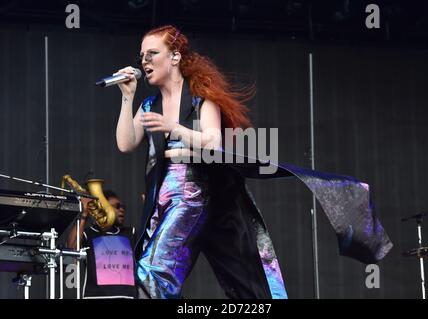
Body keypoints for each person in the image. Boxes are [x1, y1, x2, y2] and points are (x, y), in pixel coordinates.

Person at [115, 25, 287, 299]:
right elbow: (125, 143)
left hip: (192, 196)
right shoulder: (149, 104)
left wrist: (176, 128)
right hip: (161, 202)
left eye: (152, 54)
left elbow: (212, 142)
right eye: (142, 56)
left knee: (153, 272)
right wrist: (127, 97)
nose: (145, 62)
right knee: (151, 271)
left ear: (175, 56)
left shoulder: (201, 99)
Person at [67, 190, 137, 299]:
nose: (122, 209)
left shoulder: (130, 233)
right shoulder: (89, 233)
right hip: (96, 297)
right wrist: (84, 214)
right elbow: (71, 248)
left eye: (123, 207)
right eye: (117, 206)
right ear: (103, 208)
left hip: (127, 296)